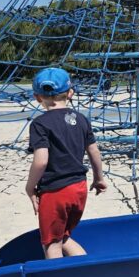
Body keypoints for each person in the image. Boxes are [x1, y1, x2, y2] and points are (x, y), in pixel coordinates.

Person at [25, 67, 107, 259]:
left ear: (37, 97)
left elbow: (41, 160)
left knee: (52, 245)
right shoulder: (81, 119)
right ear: (70, 93)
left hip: (56, 191)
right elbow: (94, 151)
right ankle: (86, 269)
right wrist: (99, 178)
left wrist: (30, 187)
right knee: (63, 237)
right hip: (79, 188)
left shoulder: (40, 124)